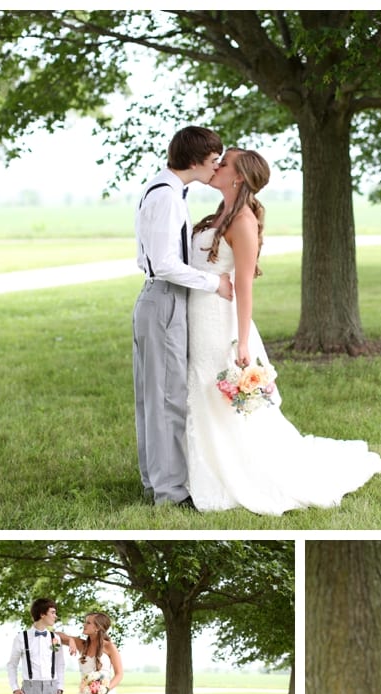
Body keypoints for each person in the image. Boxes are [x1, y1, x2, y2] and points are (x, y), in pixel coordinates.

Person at [184, 147, 381, 514]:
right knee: (197, 391)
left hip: (220, 320)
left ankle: (232, 472)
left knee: (216, 394)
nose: (216, 166)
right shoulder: (219, 214)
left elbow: (244, 284)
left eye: (225, 162)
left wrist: (243, 341)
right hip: (197, 314)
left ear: (238, 177)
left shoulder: (243, 221)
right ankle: (197, 466)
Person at [133, 125, 234, 508]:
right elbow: (164, 264)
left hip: (158, 298)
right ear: (194, 161)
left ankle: (157, 482)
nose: (216, 168)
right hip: (164, 298)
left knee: (156, 395)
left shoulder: (164, 191)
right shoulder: (168, 198)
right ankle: (171, 493)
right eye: (212, 161)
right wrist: (213, 283)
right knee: (166, 397)